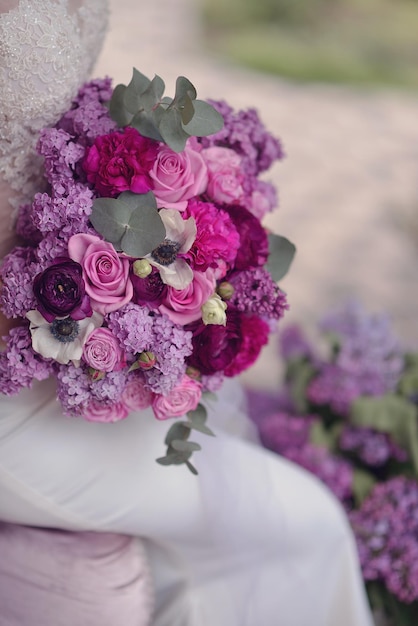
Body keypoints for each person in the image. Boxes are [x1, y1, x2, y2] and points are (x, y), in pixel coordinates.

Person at [0, 2, 375, 625]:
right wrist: (72, 304)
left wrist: (154, 215)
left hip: (72, 345)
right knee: (302, 522)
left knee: (275, 528)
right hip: (17, 383)